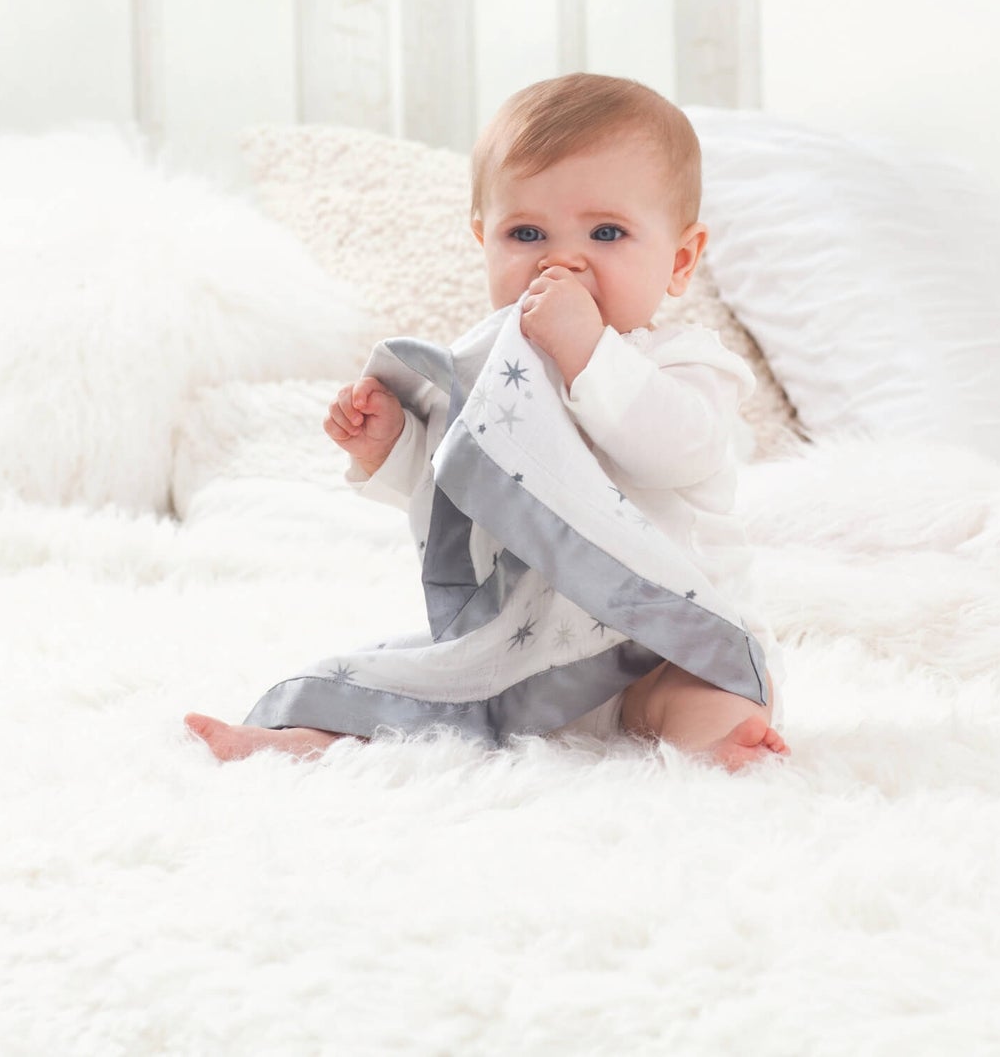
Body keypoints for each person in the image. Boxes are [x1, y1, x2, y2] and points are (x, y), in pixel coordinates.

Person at [186, 73, 788, 772]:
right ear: (484, 241)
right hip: (537, 656)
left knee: (711, 694)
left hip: (671, 637)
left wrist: (586, 350)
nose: (562, 259)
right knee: (409, 687)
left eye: (607, 232)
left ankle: (716, 746)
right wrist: (391, 446)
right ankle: (302, 744)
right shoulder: (492, 373)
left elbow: (680, 452)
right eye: (526, 233)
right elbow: (467, 485)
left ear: (679, 260)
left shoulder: (685, 363)